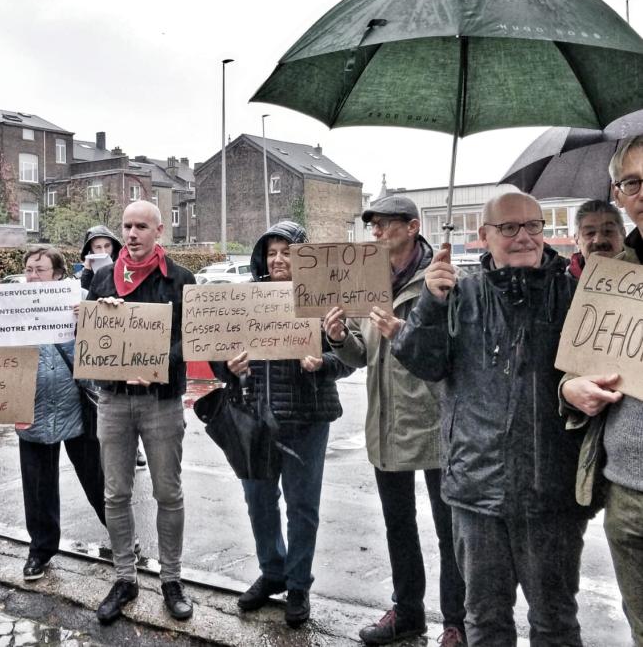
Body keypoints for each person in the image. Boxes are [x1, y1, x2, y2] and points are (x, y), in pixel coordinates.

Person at [393, 192, 591, 647]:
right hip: (475, 492)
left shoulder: (573, 295)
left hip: (551, 492)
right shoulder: (459, 294)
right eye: (509, 228)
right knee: (484, 620)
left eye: (533, 226)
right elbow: (423, 362)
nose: (524, 237)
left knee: (556, 621)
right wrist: (430, 302)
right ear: (483, 236)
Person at [323, 196, 465, 646]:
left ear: (412, 226)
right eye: (373, 226)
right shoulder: (368, 281)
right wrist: (339, 337)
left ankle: (456, 623)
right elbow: (363, 356)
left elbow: (458, 352)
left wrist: (409, 331)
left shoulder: (441, 278)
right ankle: (408, 613)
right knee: (398, 525)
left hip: (437, 424)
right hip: (386, 423)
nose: (377, 233)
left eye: (384, 225)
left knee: (450, 532)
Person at [220, 221, 353, 628]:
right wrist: (231, 368)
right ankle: (272, 571)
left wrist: (322, 363)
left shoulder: (324, 299)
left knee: (302, 507)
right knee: (258, 501)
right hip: (256, 416)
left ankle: (298, 584)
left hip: (308, 419)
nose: (279, 260)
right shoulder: (248, 300)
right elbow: (223, 353)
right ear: (262, 257)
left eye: (287, 252)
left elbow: (349, 357)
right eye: (272, 252)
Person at [86, 201, 195, 624]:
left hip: (161, 402)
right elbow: (90, 340)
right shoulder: (101, 278)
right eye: (127, 226)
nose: (131, 234)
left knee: (168, 492)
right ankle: (125, 577)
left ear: (159, 231)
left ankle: (171, 579)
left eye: (140, 227)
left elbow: (194, 339)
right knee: (116, 493)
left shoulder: (180, 279)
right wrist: (88, 319)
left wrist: (156, 366)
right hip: (112, 400)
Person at [0, 244, 108, 582]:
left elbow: (103, 344)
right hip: (32, 410)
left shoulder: (78, 298)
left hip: (78, 408)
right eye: (30, 269)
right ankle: (41, 551)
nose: (33, 275)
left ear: (58, 274)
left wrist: (88, 321)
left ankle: (125, 541)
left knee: (98, 480)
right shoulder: (9, 305)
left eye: (41, 269)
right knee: (38, 488)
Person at [560, 138, 643, 645]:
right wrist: (574, 389)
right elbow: (575, 369)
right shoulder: (610, 275)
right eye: (633, 182)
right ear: (619, 191)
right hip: (626, 490)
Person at [78, 226, 146, 469]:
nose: (103, 251)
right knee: (112, 403)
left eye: (107, 246)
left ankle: (136, 447)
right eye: (97, 247)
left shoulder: (127, 271)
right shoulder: (87, 276)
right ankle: (119, 449)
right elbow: (86, 306)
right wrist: (87, 271)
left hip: (133, 344)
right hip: (106, 352)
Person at [567, 199, 626, 278]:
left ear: (623, 234)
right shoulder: (560, 286)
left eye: (608, 231)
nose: (599, 240)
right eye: (590, 233)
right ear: (577, 240)